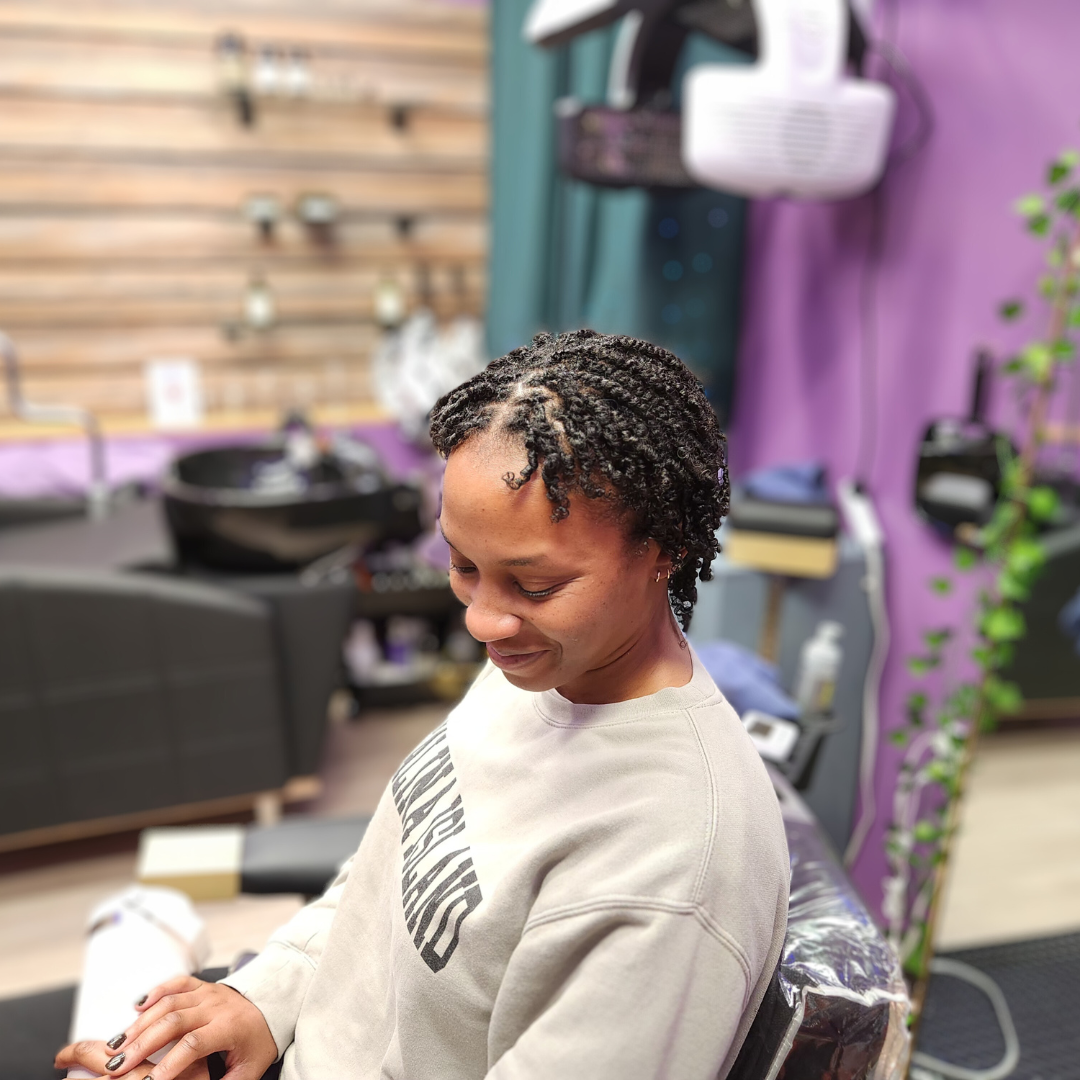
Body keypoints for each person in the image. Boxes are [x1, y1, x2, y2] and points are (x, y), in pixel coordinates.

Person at [56, 329, 789, 1080]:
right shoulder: (542, 668)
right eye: (463, 565)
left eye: (536, 586)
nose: (483, 622)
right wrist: (263, 998)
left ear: (664, 546)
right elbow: (392, 879)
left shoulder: (674, 871)